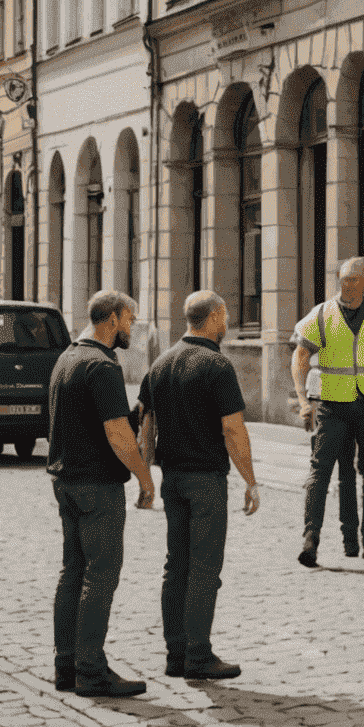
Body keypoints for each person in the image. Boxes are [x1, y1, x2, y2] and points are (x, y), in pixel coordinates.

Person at [138, 290, 259, 681]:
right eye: (224, 317)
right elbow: (232, 428)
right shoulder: (216, 365)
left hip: (171, 478)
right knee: (204, 569)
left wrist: (146, 478)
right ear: (214, 317)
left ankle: (176, 653)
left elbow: (146, 426)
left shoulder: (160, 363)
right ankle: (199, 654)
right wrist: (250, 481)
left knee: (177, 567)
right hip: (206, 480)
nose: (226, 324)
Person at [47, 290, 153, 698]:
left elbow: (80, 420)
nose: (131, 327)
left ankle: (65, 665)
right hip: (97, 487)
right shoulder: (102, 366)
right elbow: (117, 435)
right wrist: (145, 478)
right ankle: (91, 669)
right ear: (111, 318)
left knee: (72, 572)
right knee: (101, 574)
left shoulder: (67, 358)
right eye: (129, 319)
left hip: (65, 481)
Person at [291, 258, 364, 567]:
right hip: (333, 405)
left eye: (354, 279)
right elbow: (300, 355)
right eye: (343, 279)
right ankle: (310, 540)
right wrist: (303, 401)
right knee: (321, 470)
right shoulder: (323, 312)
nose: (348, 285)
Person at [291, 329, 360, 557]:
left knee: (319, 472)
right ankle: (351, 541)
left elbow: (311, 401)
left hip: (325, 414)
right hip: (348, 408)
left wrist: (308, 411)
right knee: (347, 475)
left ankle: (311, 537)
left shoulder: (316, 366)